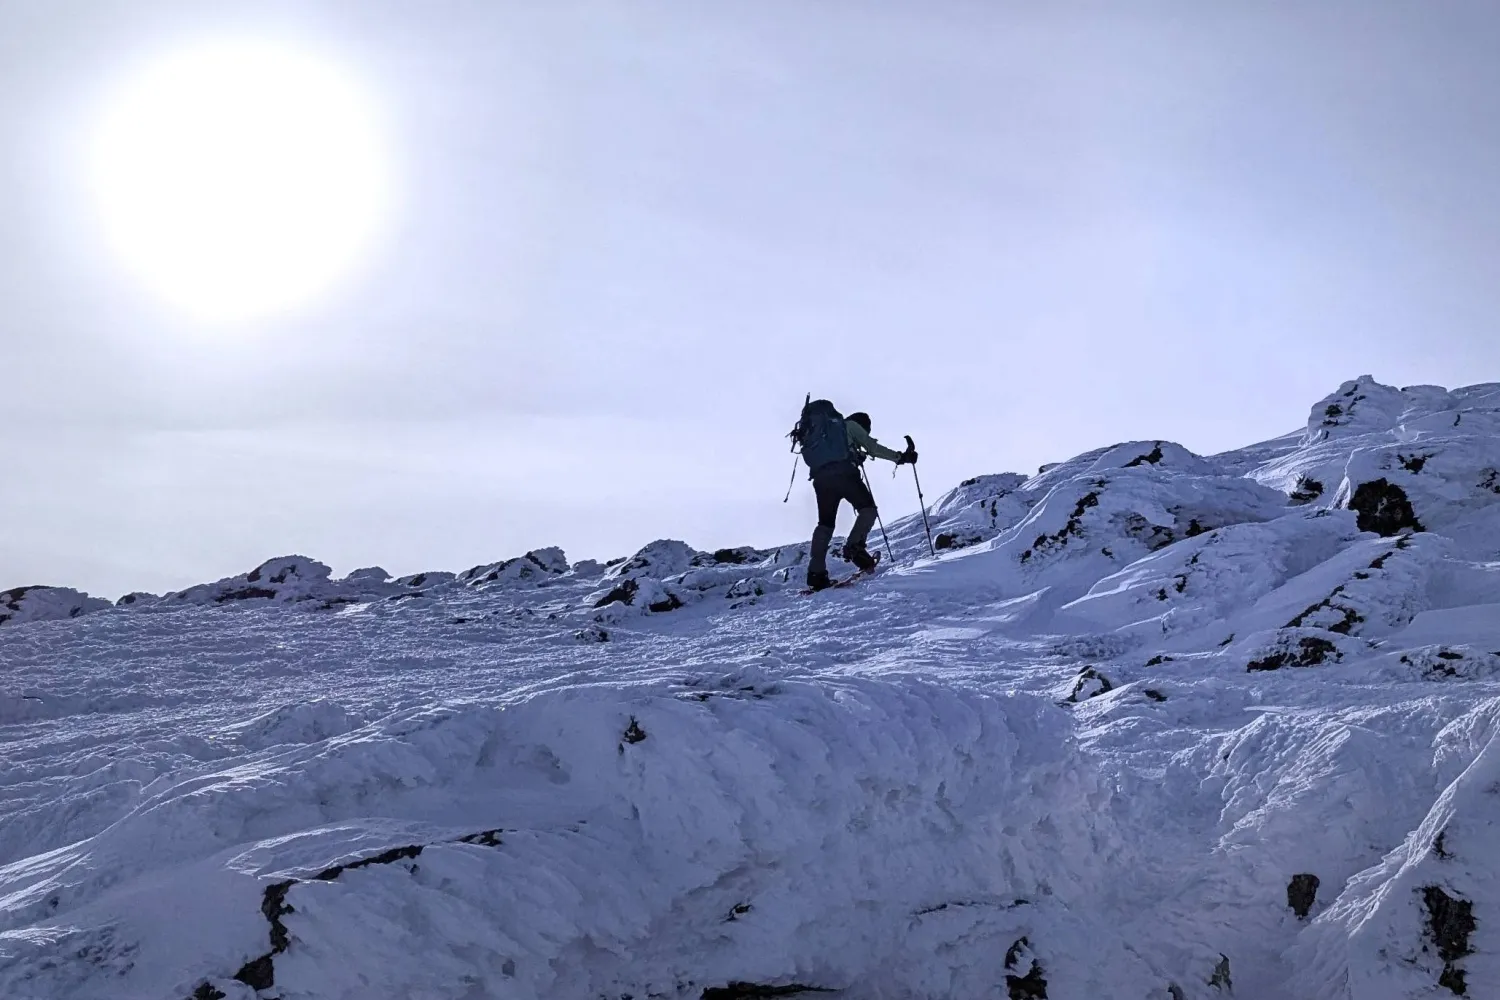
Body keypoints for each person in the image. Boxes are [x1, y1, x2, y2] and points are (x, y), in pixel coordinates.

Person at [790, 400, 917, 591]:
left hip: (821, 480)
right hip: (845, 475)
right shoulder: (851, 426)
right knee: (867, 510)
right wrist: (901, 457)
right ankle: (855, 548)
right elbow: (873, 448)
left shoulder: (826, 432)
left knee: (825, 525)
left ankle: (816, 574)